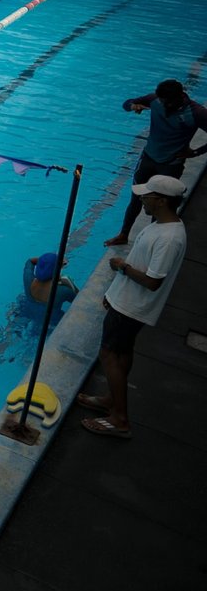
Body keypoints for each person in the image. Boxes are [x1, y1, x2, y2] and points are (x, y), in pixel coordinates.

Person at [79, 175, 188, 438]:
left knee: (109, 354)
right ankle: (111, 398)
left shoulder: (169, 238)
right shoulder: (162, 225)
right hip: (126, 301)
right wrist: (114, 292)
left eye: (146, 196)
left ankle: (120, 419)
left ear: (161, 200)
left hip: (131, 307)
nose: (142, 199)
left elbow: (152, 281)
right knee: (123, 351)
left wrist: (121, 267)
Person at [105, 80, 207, 246]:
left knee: (161, 205)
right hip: (148, 158)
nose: (164, 105)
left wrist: (195, 152)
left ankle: (152, 241)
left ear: (180, 97)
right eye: (162, 101)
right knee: (136, 198)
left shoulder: (196, 112)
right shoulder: (155, 100)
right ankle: (123, 234)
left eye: (167, 102)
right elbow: (126, 104)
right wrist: (133, 106)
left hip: (171, 164)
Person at [22, 252, 78, 330]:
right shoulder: (62, 291)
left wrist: (45, 262)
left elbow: (30, 261)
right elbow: (79, 300)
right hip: (52, 320)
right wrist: (70, 284)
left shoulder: (28, 279)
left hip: (29, 312)